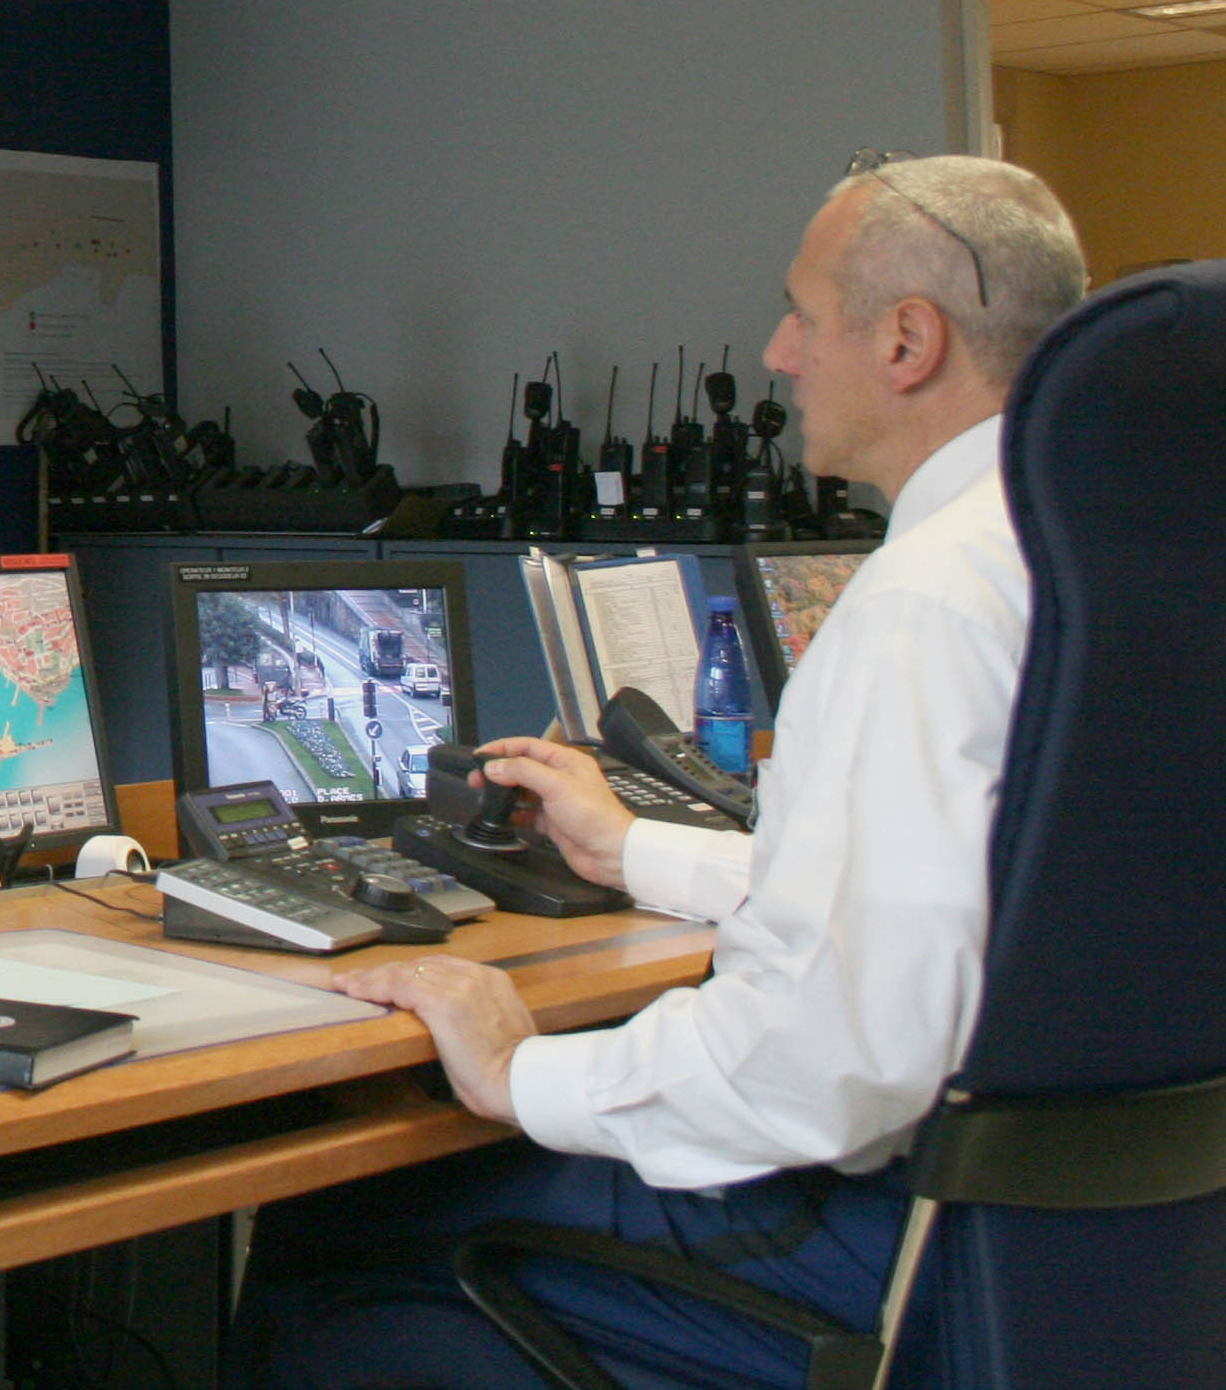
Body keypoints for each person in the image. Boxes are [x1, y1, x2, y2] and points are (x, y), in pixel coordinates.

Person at [235, 156, 1089, 1390]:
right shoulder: (1072, 549)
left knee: (333, 1232)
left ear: (909, 340)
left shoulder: (926, 601)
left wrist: (521, 1068)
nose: (781, 351)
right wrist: (634, 848)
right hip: (1057, 1239)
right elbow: (958, 908)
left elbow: (835, 1061)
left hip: (883, 1232)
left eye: (803, 311)